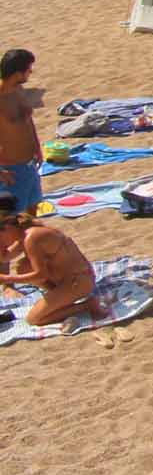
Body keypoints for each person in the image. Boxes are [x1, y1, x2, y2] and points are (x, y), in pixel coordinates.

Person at [0, 192, 98, 328]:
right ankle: (59, 295)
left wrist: (7, 279)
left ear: (8, 228)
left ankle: (87, 305)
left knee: (34, 319)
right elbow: (4, 257)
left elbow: (41, 274)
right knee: (23, 266)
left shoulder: (32, 238)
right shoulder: (23, 233)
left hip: (79, 281)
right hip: (70, 277)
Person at [0, 50, 38, 223]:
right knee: (10, 224)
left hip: (30, 165)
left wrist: (37, 147)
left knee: (31, 217)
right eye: (29, 70)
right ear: (17, 74)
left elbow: (28, 122)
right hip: (11, 171)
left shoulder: (19, 89)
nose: (31, 72)